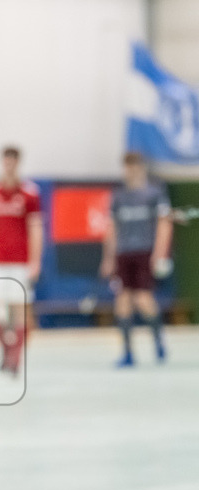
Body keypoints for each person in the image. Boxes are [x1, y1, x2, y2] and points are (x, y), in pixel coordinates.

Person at [0, 146, 43, 375]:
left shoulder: (30, 193)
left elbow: (36, 229)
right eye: (6, 162)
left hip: (20, 261)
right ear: (2, 163)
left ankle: (15, 359)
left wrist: (35, 261)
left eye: (13, 162)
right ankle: (7, 345)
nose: (9, 166)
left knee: (20, 310)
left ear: (18, 163)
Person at [100, 152, 173, 367]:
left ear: (142, 167)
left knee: (142, 299)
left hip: (145, 252)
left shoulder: (154, 193)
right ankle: (128, 353)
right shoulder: (119, 196)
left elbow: (164, 224)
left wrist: (159, 253)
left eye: (134, 166)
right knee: (122, 300)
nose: (130, 171)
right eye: (127, 167)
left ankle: (158, 339)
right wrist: (108, 258)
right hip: (124, 253)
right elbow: (112, 228)